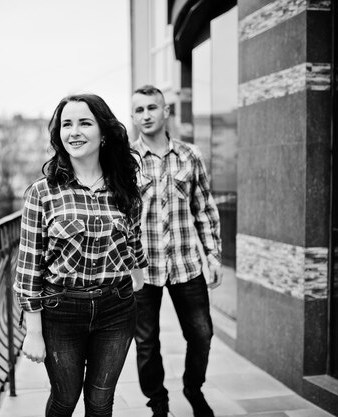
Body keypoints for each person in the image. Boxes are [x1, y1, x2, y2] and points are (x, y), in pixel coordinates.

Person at [14, 93, 148, 417]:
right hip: (61, 310)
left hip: (115, 309)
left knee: (101, 402)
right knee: (65, 398)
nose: (74, 131)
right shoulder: (42, 192)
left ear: (103, 132)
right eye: (66, 124)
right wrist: (33, 332)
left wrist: (139, 277)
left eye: (84, 123)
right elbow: (29, 265)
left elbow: (133, 239)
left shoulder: (124, 187)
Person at [130, 85, 222, 417]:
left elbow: (205, 208)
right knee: (146, 343)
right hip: (142, 270)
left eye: (152, 108)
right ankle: (158, 402)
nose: (146, 115)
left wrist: (212, 255)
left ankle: (193, 388)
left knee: (202, 334)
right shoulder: (127, 162)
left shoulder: (190, 155)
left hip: (186, 265)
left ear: (166, 112)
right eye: (139, 110)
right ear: (133, 116)